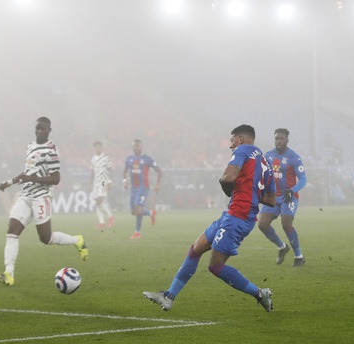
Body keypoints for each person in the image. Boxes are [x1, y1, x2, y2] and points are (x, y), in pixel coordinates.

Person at [143, 124, 276, 312]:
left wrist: (229, 188)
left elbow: (227, 178)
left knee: (215, 266)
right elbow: (271, 199)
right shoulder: (266, 162)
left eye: (231, 141)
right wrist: (251, 191)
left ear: (240, 139)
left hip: (238, 216)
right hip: (233, 215)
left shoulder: (243, 150)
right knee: (196, 249)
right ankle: (168, 296)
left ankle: (260, 293)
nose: (231, 146)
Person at [0, 117, 88, 287]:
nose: (40, 131)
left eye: (43, 129)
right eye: (37, 128)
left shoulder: (51, 150)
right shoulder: (30, 146)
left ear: (49, 130)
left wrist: (32, 178)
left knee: (46, 238)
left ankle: (77, 240)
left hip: (41, 197)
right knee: (12, 231)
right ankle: (8, 273)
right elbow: (27, 171)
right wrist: (9, 182)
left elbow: (56, 179)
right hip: (25, 195)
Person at [257, 128, 308, 267]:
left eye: (281, 139)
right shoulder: (268, 156)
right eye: (276, 139)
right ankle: (282, 247)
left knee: (286, 224)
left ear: (287, 140)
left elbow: (303, 179)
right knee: (262, 224)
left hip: (288, 197)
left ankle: (299, 256)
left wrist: (292, 191)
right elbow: (263, 175)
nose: (278, 141)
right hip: (272, 197)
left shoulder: (294, 157)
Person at [122, 139, 162, 239]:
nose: (136, 148)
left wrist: (158, 184)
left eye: (138, 146)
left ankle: (137, 232)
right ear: (132, 148)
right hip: (133, 188)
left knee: (137, 208)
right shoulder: (129, 159)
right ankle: (151, 213)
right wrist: (124, 181)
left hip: (143, 187)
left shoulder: (147, 159)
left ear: (141, 147)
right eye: (134, 146)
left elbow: (159, 171)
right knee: (133, 212)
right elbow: (124, 172)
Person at [90, 141, 114, 229]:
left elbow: (111, 169)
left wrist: (110, 182)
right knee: (97, 202)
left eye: (99, 147)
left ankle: (110, 216)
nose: (98, 148)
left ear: (102, 147)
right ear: (95, 148)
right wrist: (89, 183)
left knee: (100, 200)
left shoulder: (106, 158)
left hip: (104, 181)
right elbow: (92, 171)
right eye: (96, 147)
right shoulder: (93, 159)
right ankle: (102, 222)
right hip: (96, 182)